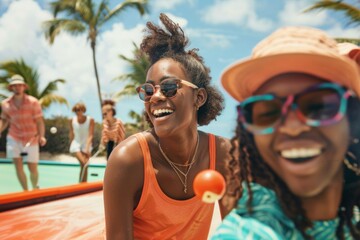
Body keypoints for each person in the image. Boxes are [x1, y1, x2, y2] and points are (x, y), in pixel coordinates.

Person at [211, 26, 360, 239]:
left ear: (352, 118)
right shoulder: (245, 232)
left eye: (318, 106)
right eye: (268, 112)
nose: (293, 127)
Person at [104, 13, 231, 239]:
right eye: (148, 90)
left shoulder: (222, 154)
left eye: (169, 87)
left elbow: (239, 231)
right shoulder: (127, 161)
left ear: (199, 97)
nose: (156, 97)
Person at [0, 74, 47, 191]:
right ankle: (25, 191)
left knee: (32, 168)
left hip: (32, 138)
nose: (17, 88)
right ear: (11, 88)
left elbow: (40, 121)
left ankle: (35, 188)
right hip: (14, 137)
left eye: (19, 85)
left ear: (23, 87)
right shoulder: (5, 104)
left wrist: (42, 136)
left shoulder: (33, 102)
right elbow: (4, 120)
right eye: (15, 86)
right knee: (18, 166)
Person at [69, 102, 94, 182]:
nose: (77, 111)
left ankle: (82, 185)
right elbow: (71, 133)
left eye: (79, 109)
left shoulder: (90, 120)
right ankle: (81, 185)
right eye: (76, 110)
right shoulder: (71, 120)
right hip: (75, 144)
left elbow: (90, 135)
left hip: (86, 145)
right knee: (83, 163)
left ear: (83, 110)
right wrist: (71, 146)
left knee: (85, 165)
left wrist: (87, 149)